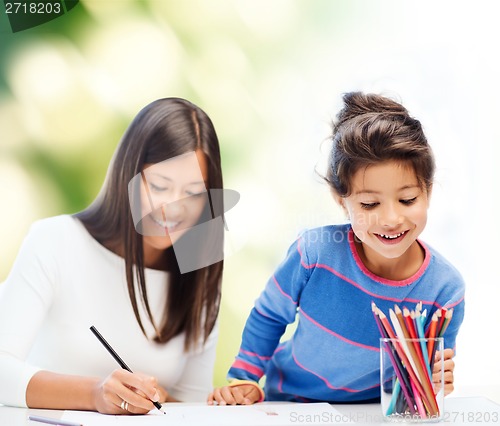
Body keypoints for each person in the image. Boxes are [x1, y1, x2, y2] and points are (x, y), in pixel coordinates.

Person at [208, 91, 465, 405]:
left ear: (428, 191)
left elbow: (427, 383)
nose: (391, 219)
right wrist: (244, 378)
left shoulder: (445, 289)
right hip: (290, 402)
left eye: (407, 199)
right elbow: (270, 315)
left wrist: (436, 381)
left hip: (374, 414)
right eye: (369, 204)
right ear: (339, 200)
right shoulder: (314, 253)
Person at [0, 98, 225, 414]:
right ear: (128, 178)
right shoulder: (55, 240)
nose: (174, 208)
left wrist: (155, 397)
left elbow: (191, 407)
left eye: (192, 194)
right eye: (160, 186)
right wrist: (94, 393)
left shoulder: (199, 275)